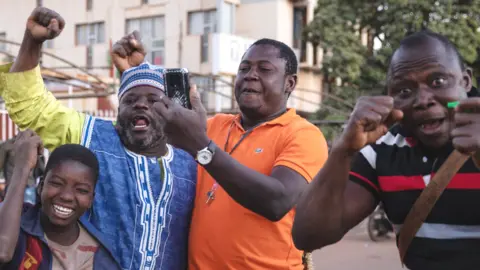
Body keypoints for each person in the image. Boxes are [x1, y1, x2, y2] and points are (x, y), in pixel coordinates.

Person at [0, 7, 197, 270]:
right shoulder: (92, 136)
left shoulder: (191, 156)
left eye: (153, 100)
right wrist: (32, 41)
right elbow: (31, 105)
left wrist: (137, 73)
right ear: (118, 109)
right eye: (130, 100)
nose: (141, 105)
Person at [292, 30, 480, 270]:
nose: (422, 100)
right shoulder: (381, 150)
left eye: (438, 82)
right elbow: (308, 236)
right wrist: (343, 150)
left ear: (465, 81)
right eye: (404, 91)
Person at [151, 38, 329, 269]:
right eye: (244, 68)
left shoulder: (304, 135)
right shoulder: (213, 126)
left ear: (289, 83)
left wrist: (202, 148)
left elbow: (276, 202)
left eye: (264, 69)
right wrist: (132, 71)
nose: (250, 75)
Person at [0, 130, 120, 270]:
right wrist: (22, 168)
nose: (66, 196)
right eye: (57, 183)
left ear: (91, 199)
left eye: (81, 190)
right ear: (41, 186)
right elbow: (2, 252)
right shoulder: (14, 225)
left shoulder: (100, 257)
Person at [0, 136, 45, 204]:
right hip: (12, 186)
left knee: (27, 211)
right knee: (11, 211)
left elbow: (41, 166)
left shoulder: (33, 145)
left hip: (29, 185)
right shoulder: (8, 145)